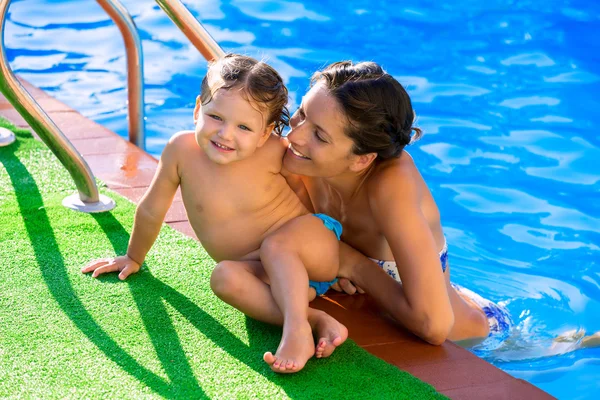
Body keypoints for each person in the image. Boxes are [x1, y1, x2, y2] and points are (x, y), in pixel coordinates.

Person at [81, 54, 347, 373]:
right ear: (197, 109)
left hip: (306, 251)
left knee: (279, 245)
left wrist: (334, 259)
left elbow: (307, 196)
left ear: (265, 133)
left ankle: (296, 331)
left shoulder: (275, 152)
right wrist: (133, 257)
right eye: (216, 117)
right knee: (223, 277)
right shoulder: (181, 152)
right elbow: (152, 208)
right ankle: (312, 318)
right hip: (272, 277)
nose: (225, 134)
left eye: (244, 127)